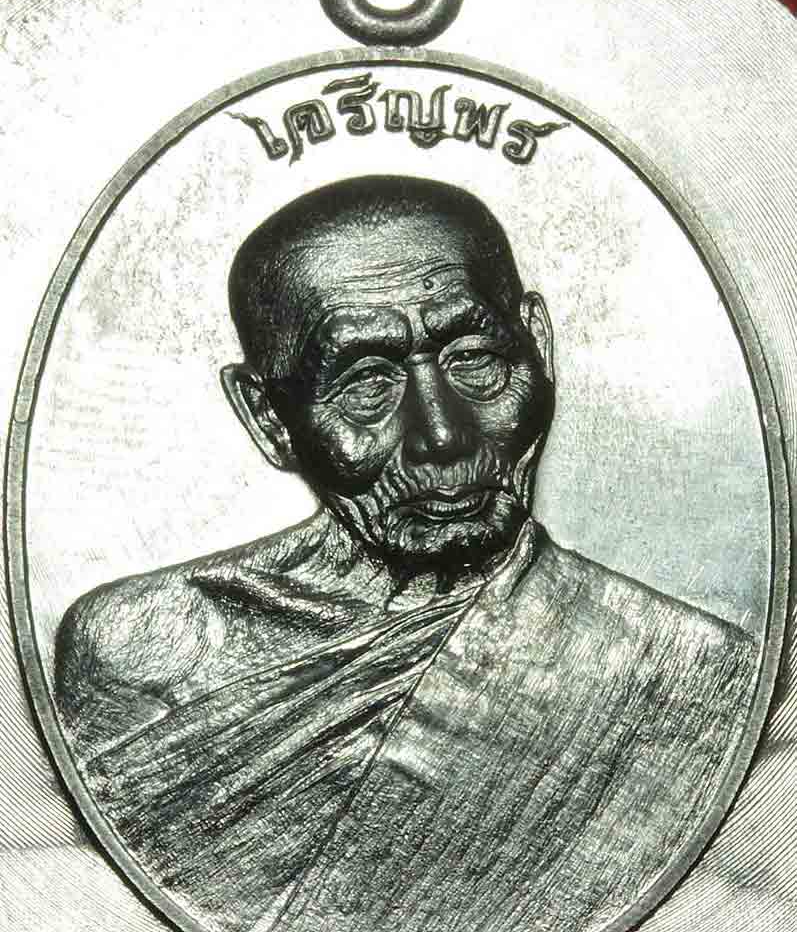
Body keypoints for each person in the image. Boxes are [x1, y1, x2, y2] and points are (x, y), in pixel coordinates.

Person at [54, 176, 756, 932]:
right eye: (365, 384)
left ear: (538, 346)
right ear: (268, 418)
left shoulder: (689, 672)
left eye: (474, 360)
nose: (443, 436)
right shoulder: (142, 648)